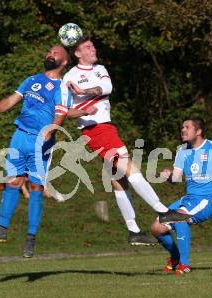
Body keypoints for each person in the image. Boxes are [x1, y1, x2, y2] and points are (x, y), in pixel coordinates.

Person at [63, 36, 181, 245]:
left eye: (93, 46)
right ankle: (163, 211)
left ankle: (133, 231)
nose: (93, 49)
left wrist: (84, 92)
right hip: (95, 130)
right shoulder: (69, 77)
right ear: (77, 53)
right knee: (131, 168)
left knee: (119, 180)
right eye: (87, 47)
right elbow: (64, 110)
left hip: (105, 127)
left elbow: (106, 88)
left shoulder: (100, 69)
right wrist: (81, 109)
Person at [0, 45, 80, 258]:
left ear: (64, 61)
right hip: (19, 136)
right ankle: (1, 228)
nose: (49, 54)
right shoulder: (31, 79)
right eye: (49, 52)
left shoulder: (61, 87)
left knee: (35, 186)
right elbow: (10, 101)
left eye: (55, 53)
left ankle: (31, 238)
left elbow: (61, 112)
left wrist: (52, 128)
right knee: (12, 181)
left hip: (40, 140)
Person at [150, 117, 212, 275]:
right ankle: (175, 257)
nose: (183, 130)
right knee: (157, 227)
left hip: (207, 200)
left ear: (198, 131)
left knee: (179, 217)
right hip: (188, 199)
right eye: (182, 127)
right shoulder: (182, 152)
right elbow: (176, 179)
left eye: (187, 127)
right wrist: (168, 176)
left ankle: (185, 264)